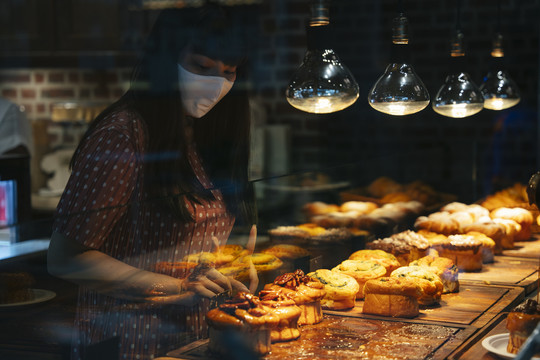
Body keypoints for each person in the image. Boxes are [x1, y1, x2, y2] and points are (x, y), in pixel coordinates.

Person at [47, 4, 259, 359]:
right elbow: (65, 258)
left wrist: (234, 267)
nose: (215, 83)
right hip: (127, 338)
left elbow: (204, 238)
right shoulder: (123, 135)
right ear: (165, 60)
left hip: (193, 334)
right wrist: (175, 286)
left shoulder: (208, 135)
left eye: (229, 72)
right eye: (201, 67)